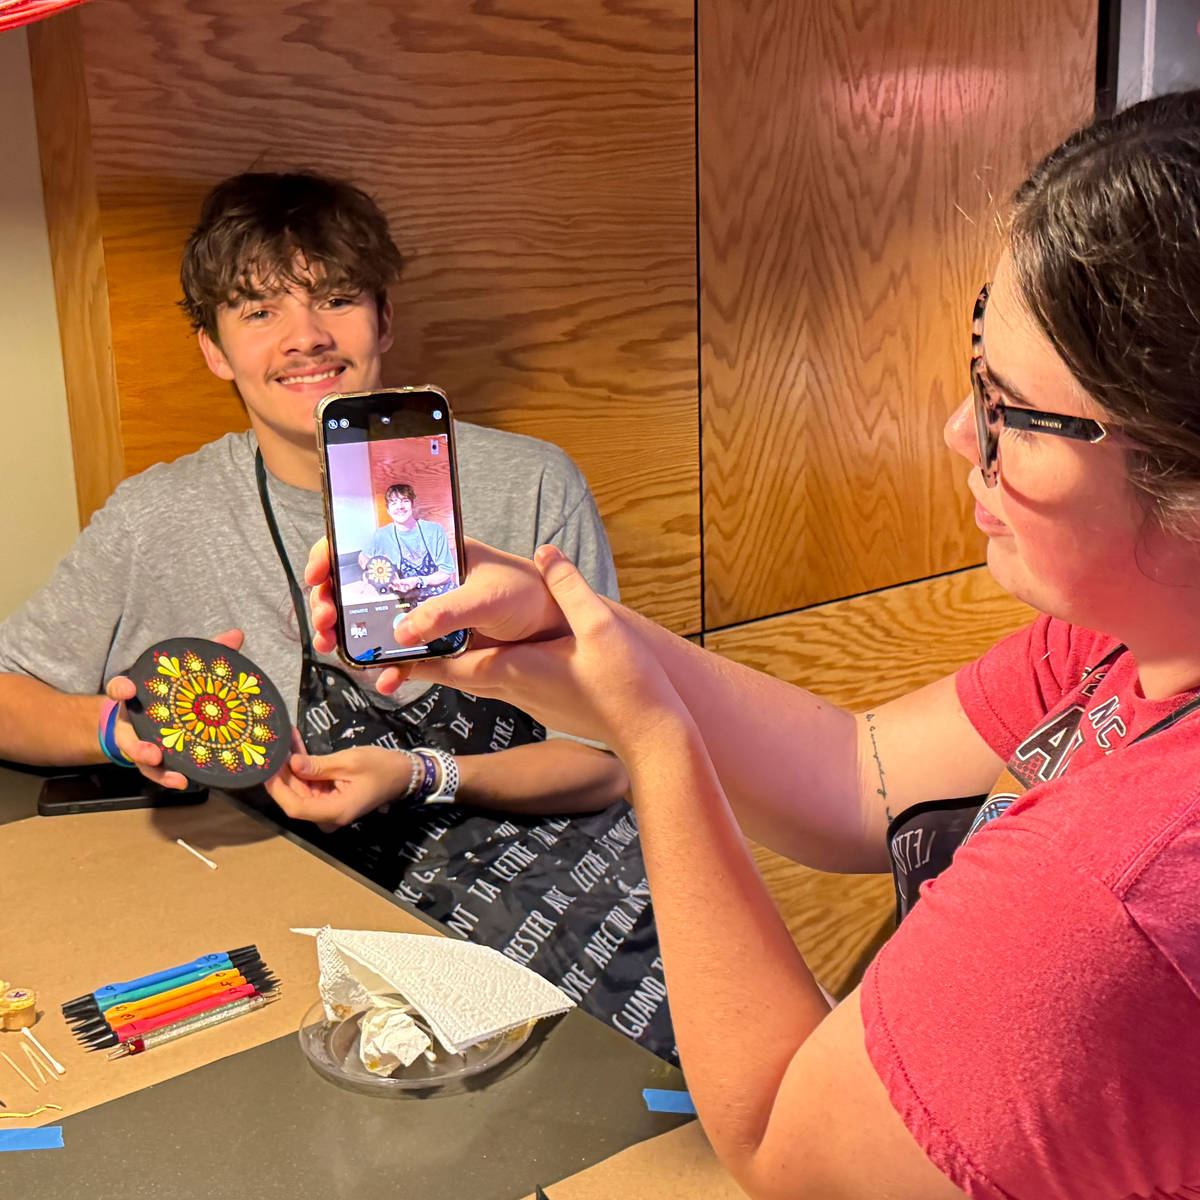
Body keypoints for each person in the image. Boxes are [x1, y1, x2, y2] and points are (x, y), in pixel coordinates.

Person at [305, 94, 1200, 1195]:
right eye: (978, 366)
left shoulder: (1117, 882)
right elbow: (857, 771)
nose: (959, 432)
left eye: (1011, 409)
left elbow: (789, 1150)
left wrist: (655, 742)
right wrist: (552, 636)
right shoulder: (1137, 645)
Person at [0, 171, 673, 1060]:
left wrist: (417, 773)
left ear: (384, 320)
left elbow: (606, 762)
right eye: (258, 311)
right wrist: (125, 732)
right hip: (323, 910)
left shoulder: (528, 483)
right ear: (212, 349)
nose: (306, 338)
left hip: (561, 870)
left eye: (338, 298)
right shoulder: (157, 518)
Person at [357, 482, 456, 599]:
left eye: (405, 501)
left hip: (441, 596)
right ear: (388, 510)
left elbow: (446, 573)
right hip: (408, 600)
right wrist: (374, 569)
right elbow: (363, 557)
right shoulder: (381, 535)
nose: (400, 507)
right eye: (393, 502)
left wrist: (418, 581)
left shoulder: (434, 530)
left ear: (413, 505)